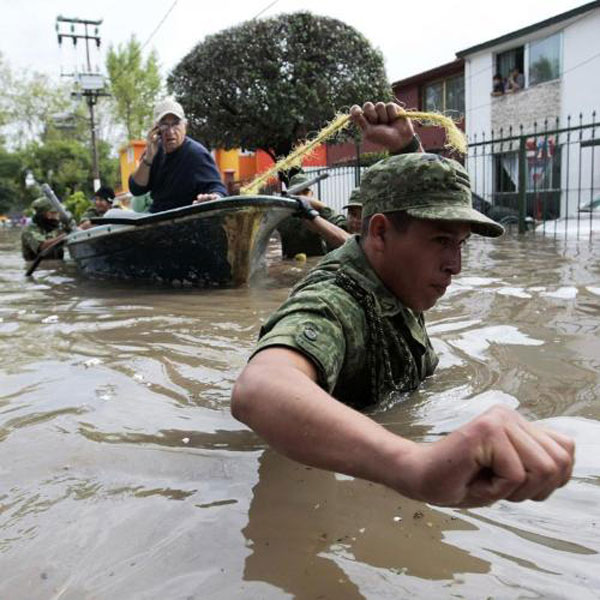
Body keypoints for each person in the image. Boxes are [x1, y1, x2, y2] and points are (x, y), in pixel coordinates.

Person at [231, 101, 574, 509]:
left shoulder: (395, 273)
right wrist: (414, 464)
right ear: (378, 232)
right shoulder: (334, 302)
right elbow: (259, 389)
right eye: (442, 242)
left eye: (461, 244)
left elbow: (408, 222)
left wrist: (407, 146)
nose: (456, 266)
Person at [129, 97, 227, 213]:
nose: (170, 132)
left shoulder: (196, 154)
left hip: (182, 220)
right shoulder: (153, 150)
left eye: (175, 124)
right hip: (154, 218)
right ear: (156, 129)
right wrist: (148, 158)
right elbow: (136, 189)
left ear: (185, 126)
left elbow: (218, 189)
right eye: (165, 126)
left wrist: (214, 197)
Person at [279, 172, 349, 257]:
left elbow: (343, 229)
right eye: (297, 194)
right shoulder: (283, 216)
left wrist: (321, 207)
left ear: (312, 194)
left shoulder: (321, 212)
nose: (302, 197)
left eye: (305, 192)